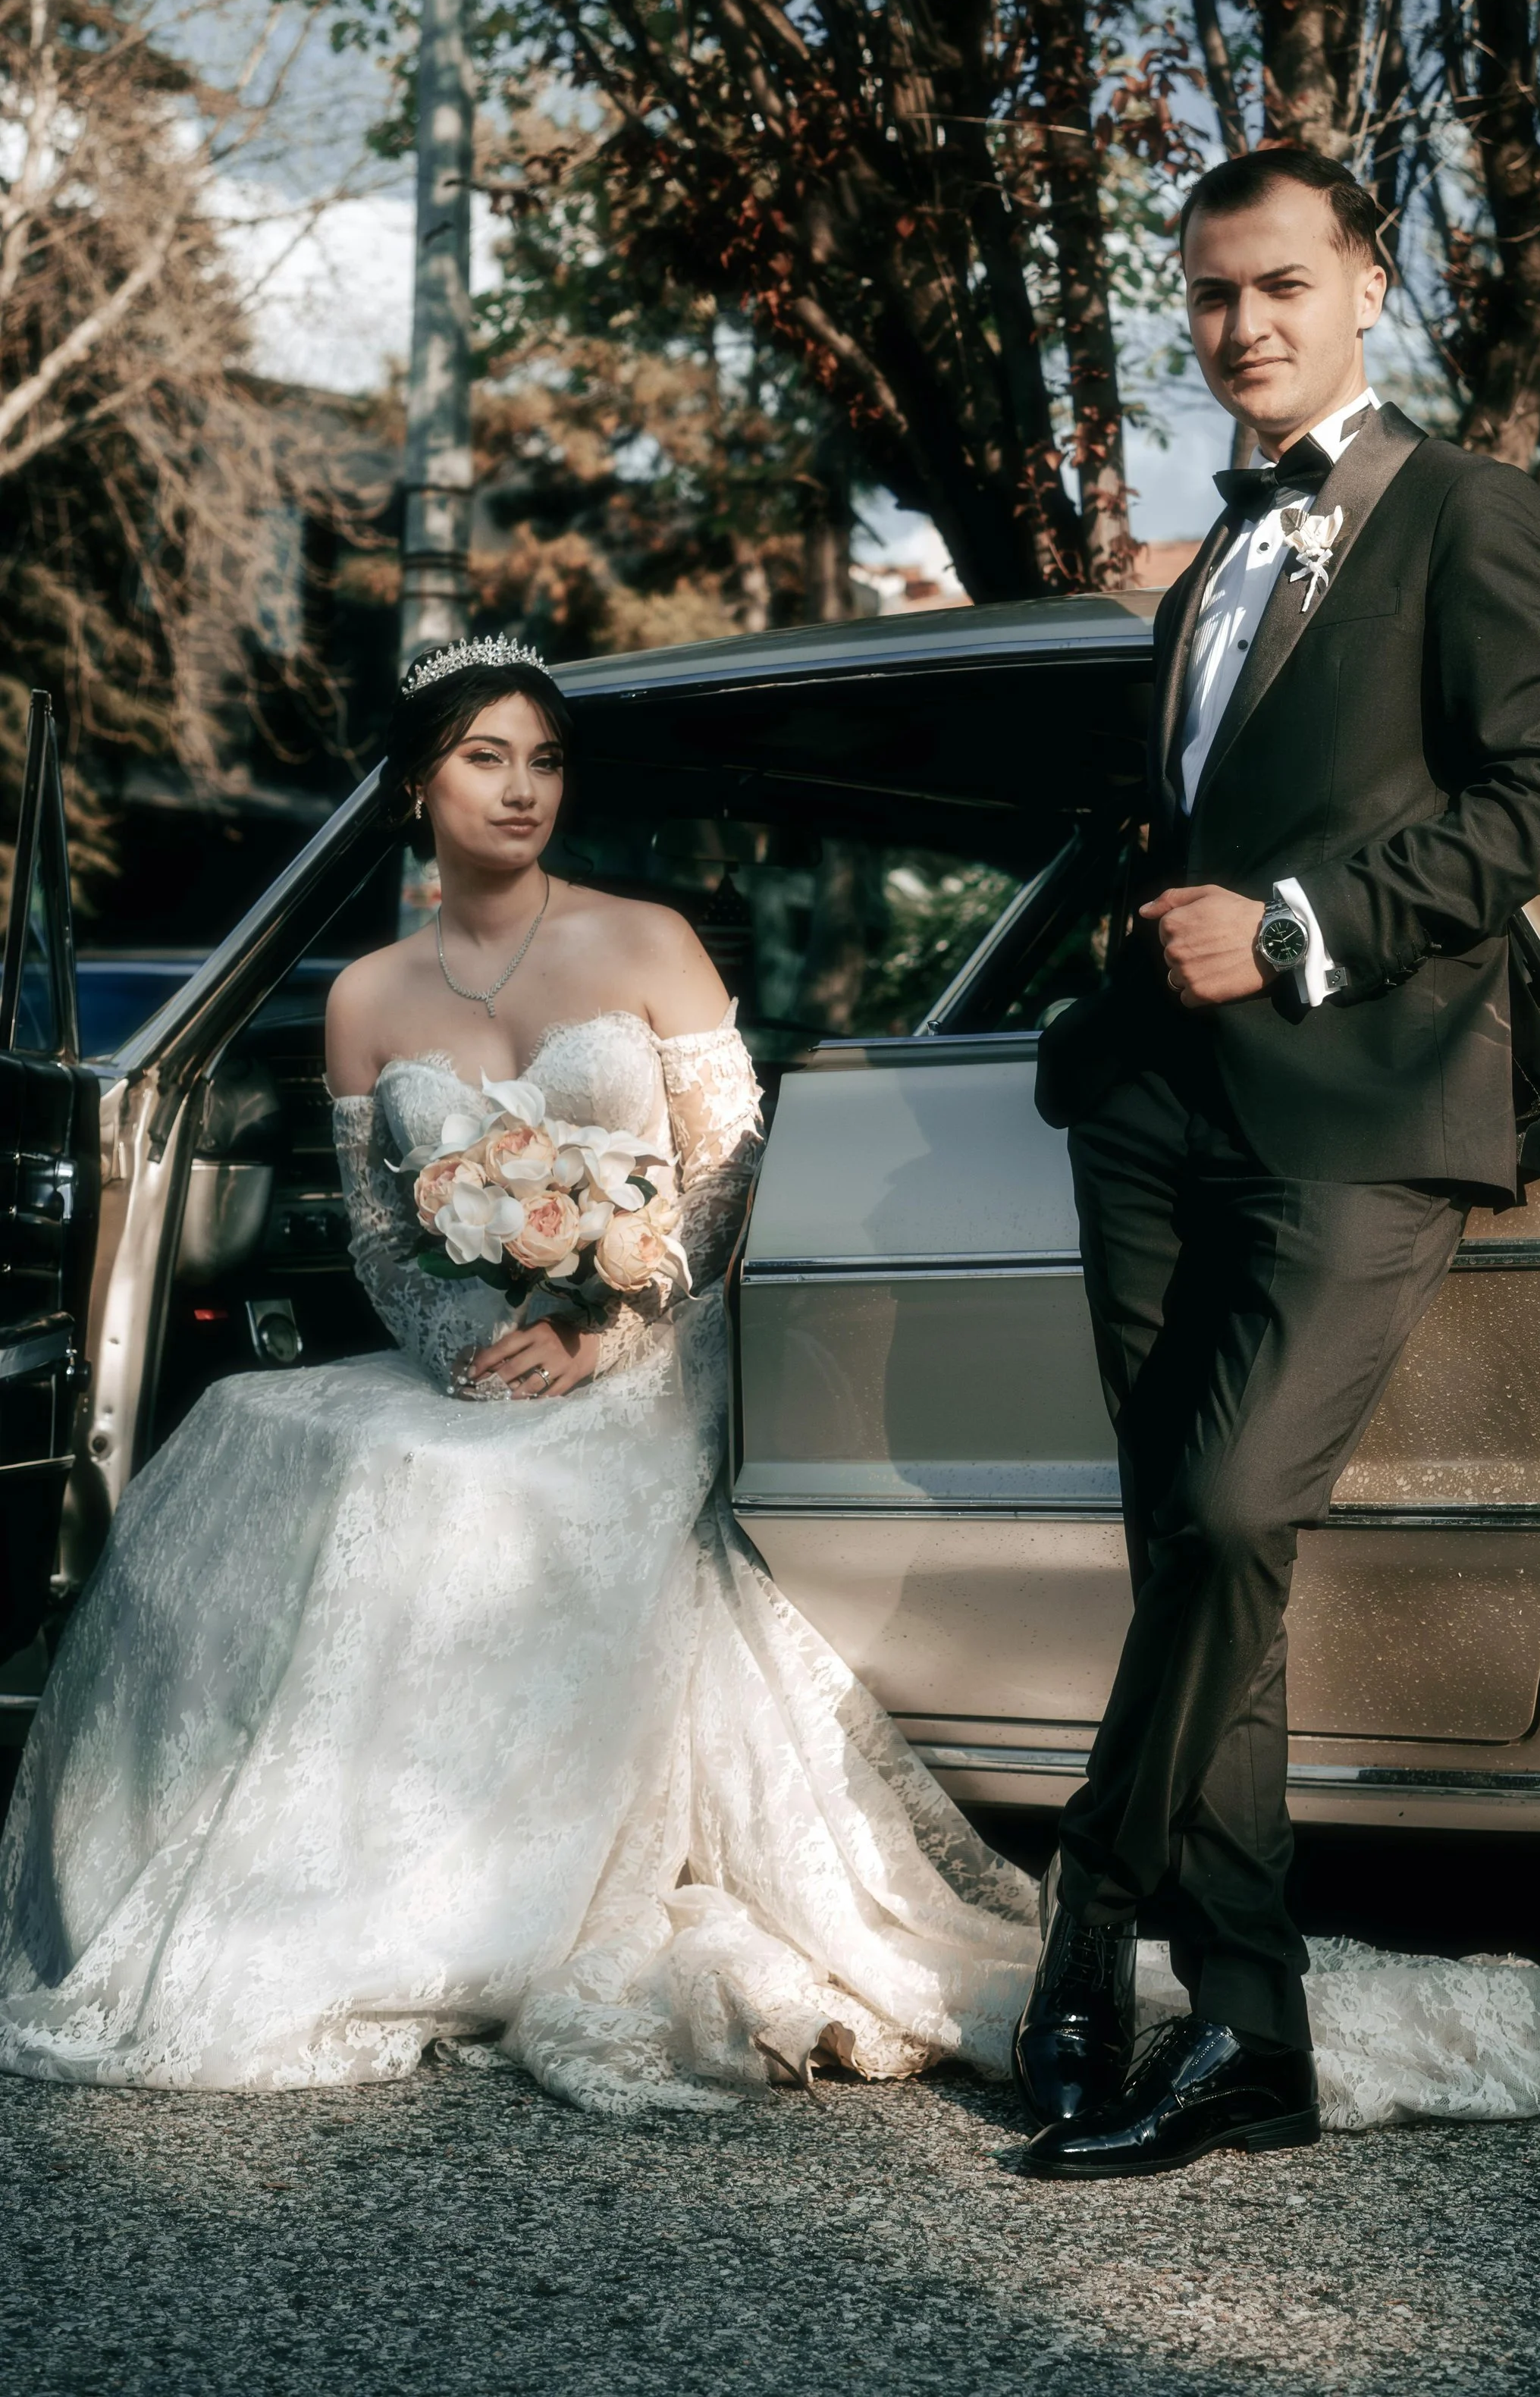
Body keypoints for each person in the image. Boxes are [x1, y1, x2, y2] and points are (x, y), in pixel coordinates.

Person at [0, 641, 1040, 2101]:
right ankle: (301, 1862)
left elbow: (731, 1177)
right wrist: (461, 1346)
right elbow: (381, 1236)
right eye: (485, 757)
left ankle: (471, 1890)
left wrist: (602, 1323)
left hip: (657, 1348)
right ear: (417, 786)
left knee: (444, 1485)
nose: (521, 788)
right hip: (482, 1357)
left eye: (544, 759)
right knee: (260, 1420)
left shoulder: (647, 940)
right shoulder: (367, 995)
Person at [1015, 145, 1540, 2180]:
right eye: (1207, 292)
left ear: (1367, 283)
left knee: (1226, 1508)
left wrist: (1288, 927)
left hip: (1359, 1101)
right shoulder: (1208, 558)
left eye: (1279, 282)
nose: (1239, 323)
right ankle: (1246, 2035)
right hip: (1148, 1115)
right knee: (1200, 1565)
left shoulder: (1462, 509)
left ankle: (1088, 1902)